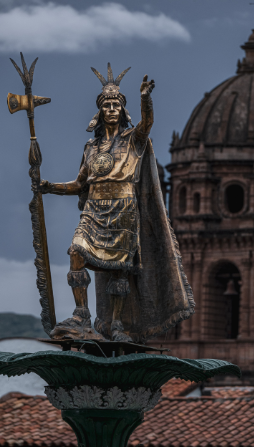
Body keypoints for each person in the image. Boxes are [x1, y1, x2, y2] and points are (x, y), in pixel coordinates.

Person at [40, 64, 194, 343]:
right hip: (94, 209)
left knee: (119, 271)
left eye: (116, 105)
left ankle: (117, 325)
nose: (111, 108)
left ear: (123, 111)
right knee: (76, 251)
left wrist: (145, 99)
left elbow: (147, 124)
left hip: (124, 209)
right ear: (99, 111)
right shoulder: (91, 147)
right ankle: (81, 315)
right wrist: (50, 187)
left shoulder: (132, 141)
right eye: (107, 105)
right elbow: (79, 185)